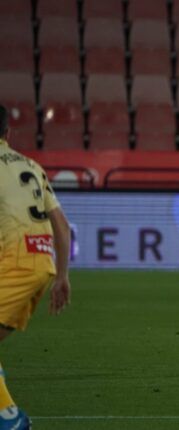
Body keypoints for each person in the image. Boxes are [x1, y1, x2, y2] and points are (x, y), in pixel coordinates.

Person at [0, 104, 72, 428]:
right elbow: (62, 225)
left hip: (13, 262)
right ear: (8, 132)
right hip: (41, 263)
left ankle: (11, 419)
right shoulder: (31, 165)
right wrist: (62, 276)